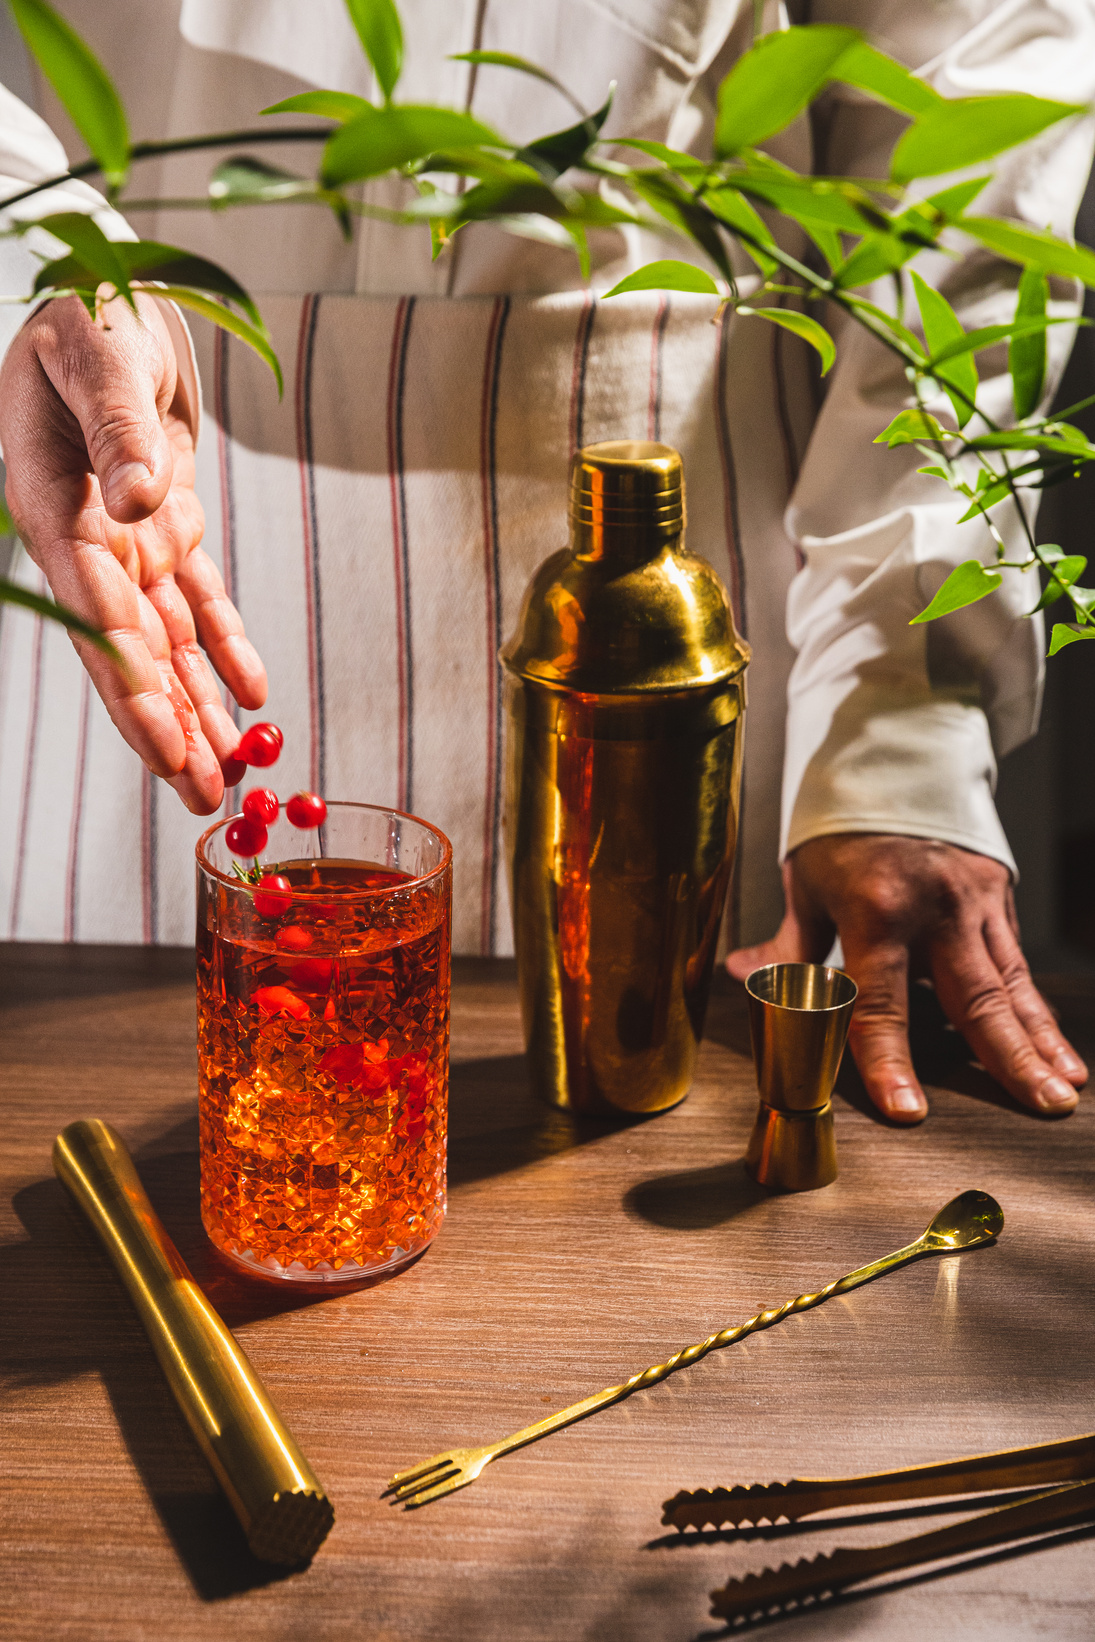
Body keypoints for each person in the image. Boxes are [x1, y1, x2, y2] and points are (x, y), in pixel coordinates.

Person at [0, 0, 1091, 1123]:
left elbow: (974, 75)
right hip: (141, 559)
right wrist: (31, 264)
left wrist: (895, 704)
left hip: (690, 646)